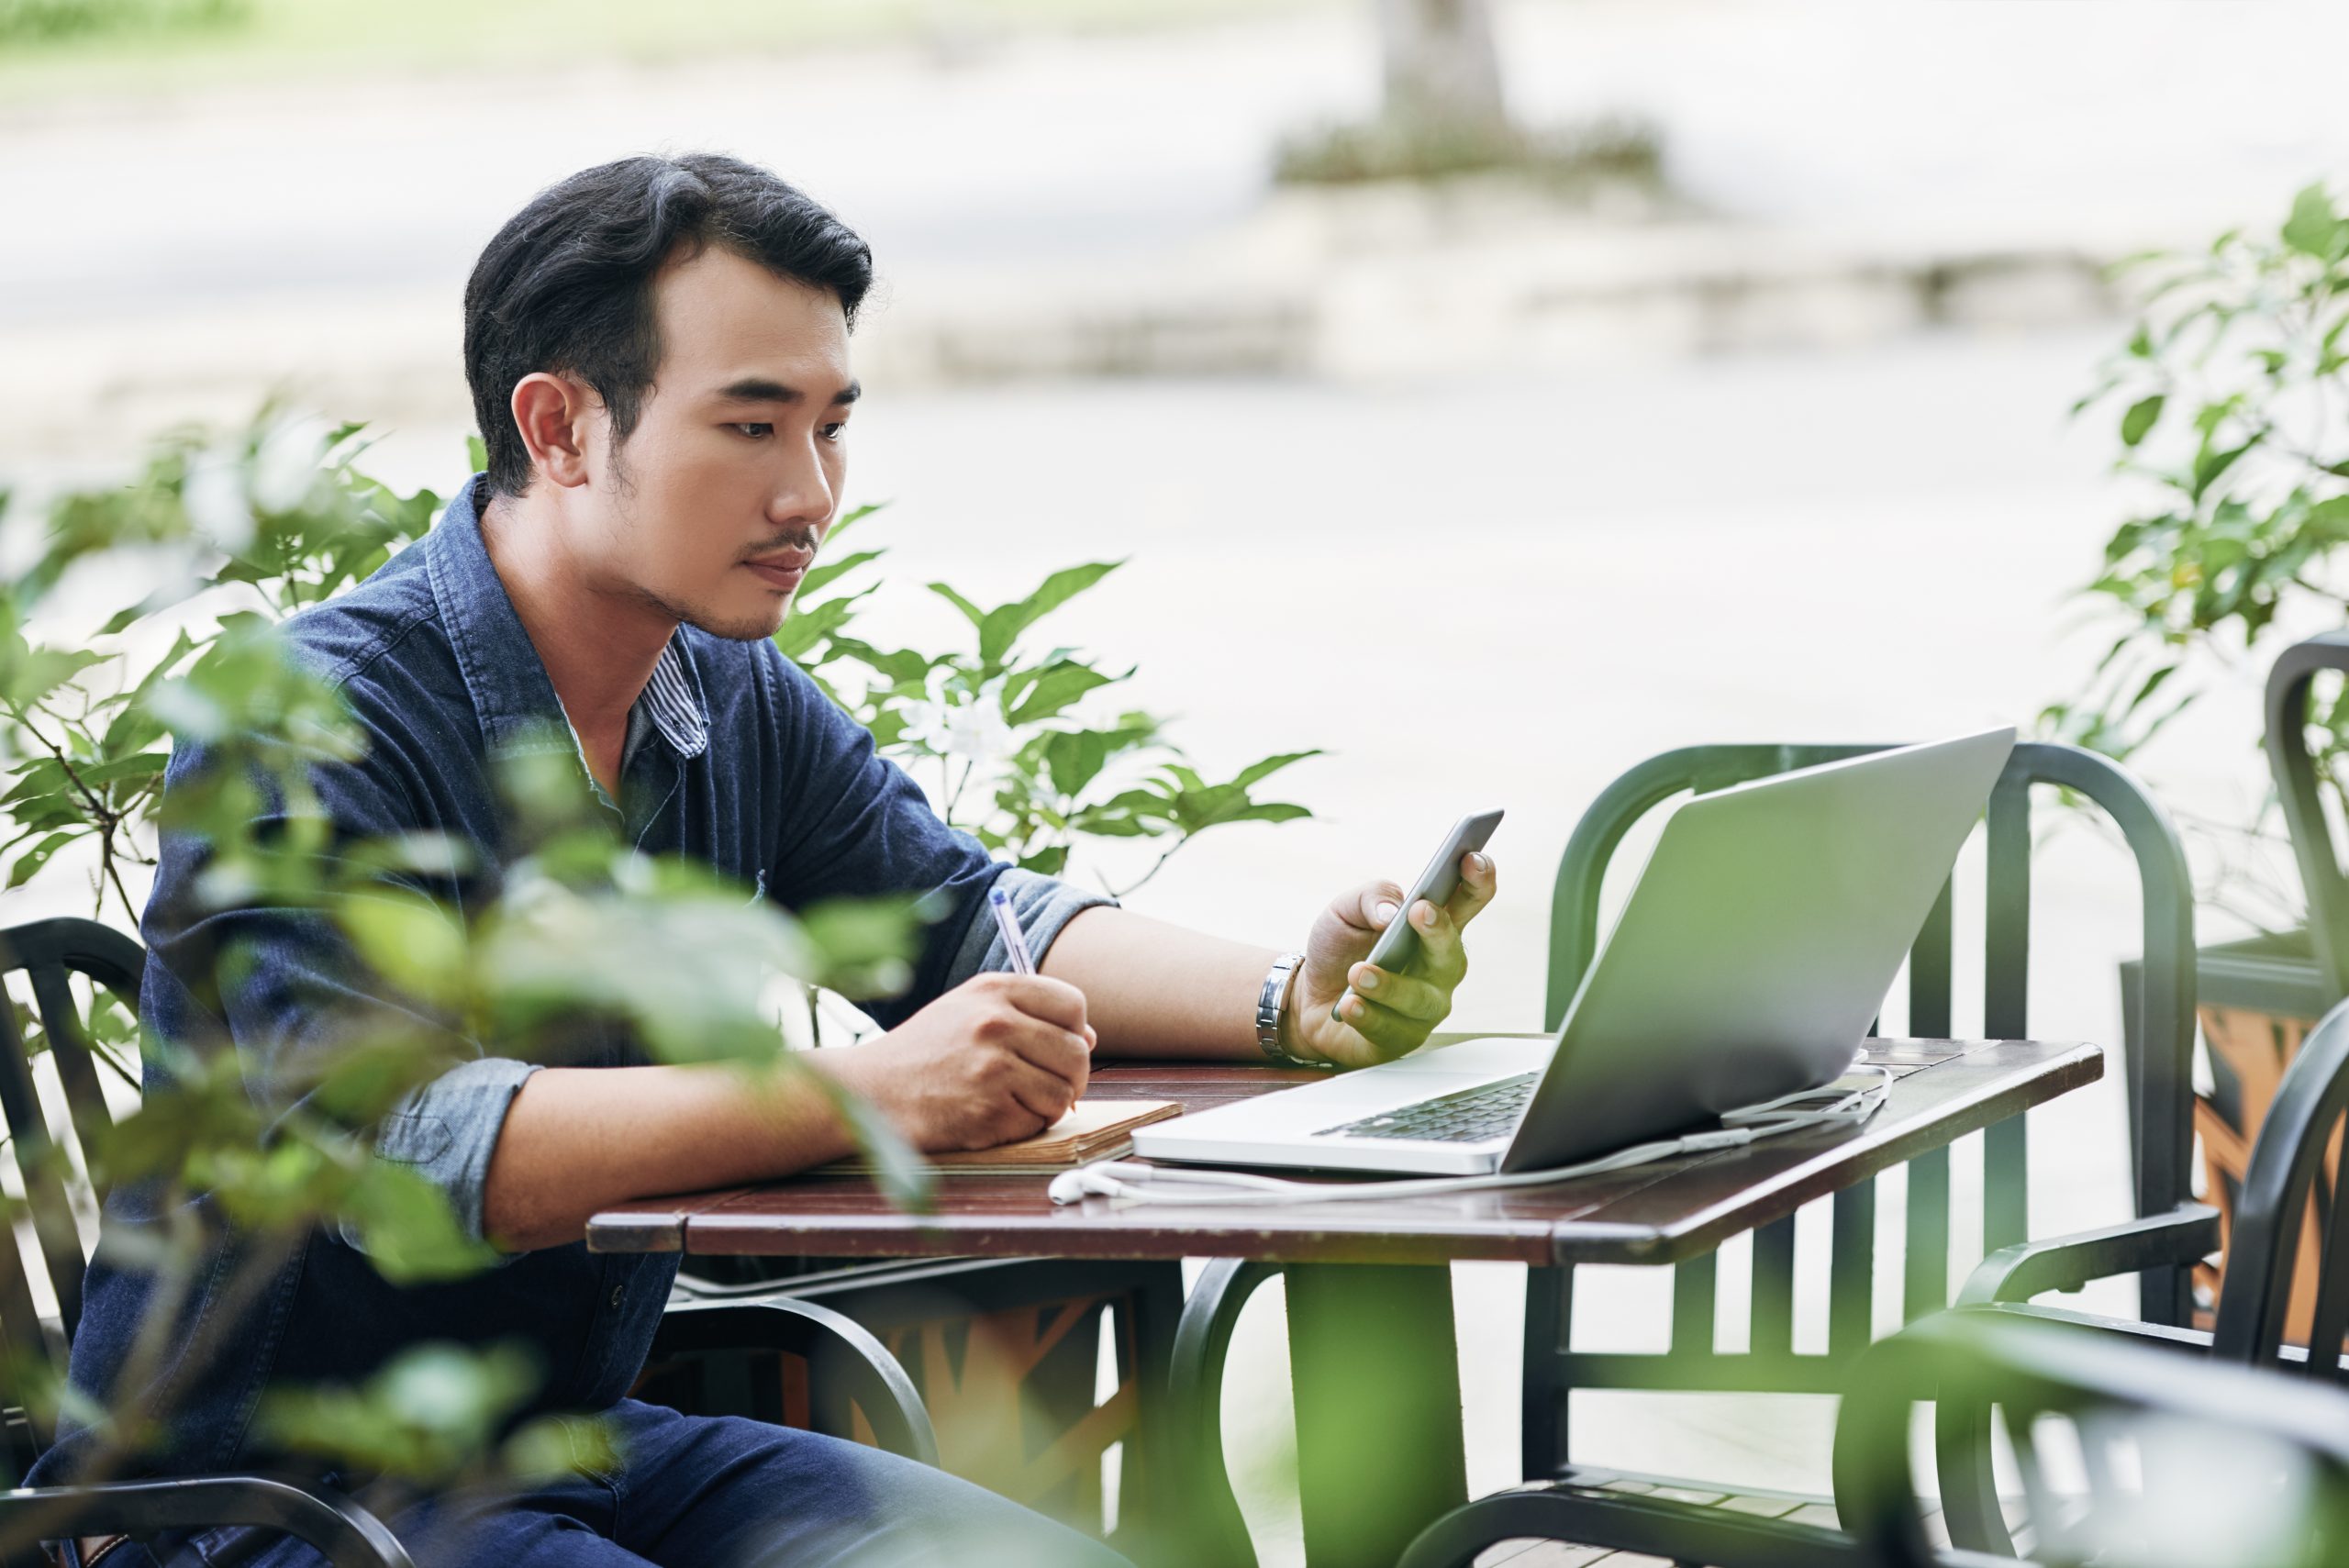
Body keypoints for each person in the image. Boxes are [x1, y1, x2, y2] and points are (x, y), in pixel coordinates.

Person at [46, 152, 1497, 1567]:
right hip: (256, 1508)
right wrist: (869, 1090)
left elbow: (970, 913)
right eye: (751, 427)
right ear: (559, 428)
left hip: (575, 1444)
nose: (810, 493)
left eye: (831, 424)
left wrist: (1285, 1003)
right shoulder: (307, 717)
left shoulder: (715, 684)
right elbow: (419, 1149)